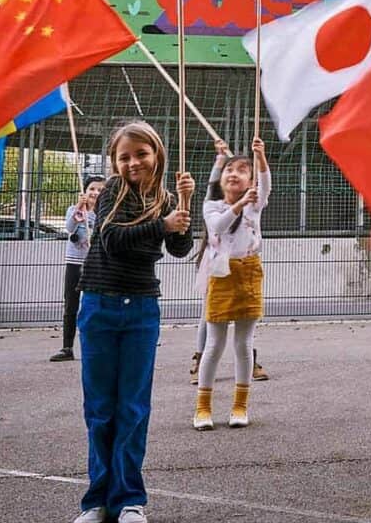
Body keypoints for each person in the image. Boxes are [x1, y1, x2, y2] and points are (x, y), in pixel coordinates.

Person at [74, 121, 196, 523]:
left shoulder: (163, 197)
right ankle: (96, 500)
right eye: (124, 157)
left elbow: (179, 249)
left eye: (141, 154)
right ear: (114, 162)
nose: (133, 163)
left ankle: (128, 498)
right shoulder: (111, 191)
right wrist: (162, 224)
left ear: (157, 155)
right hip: (100, 303)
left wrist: (184, 208)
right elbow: (112, 239)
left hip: (142, 307)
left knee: (133, 406)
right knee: (100, 407)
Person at [193, 137, 270, 430]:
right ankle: (203, 407)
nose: (234, 173)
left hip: (248, 271)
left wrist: (260, 158)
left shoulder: (256, 202)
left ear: (250, 179)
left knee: (244, 344)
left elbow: (265, 182)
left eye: (242, 170)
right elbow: (218, 226)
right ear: (221, 177)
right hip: (221, 274)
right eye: (229, 169)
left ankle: (240, 406)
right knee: (213, 344)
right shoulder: (211, 205)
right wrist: (240, 202)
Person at [50, 175, 105, 362]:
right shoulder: (75, 210)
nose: (95, 193)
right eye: (92, 189)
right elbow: (70, 228)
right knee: (71, 304)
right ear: (85, 191)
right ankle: (67, 347)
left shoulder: (104, 214)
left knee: (96, 305)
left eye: (100, 190)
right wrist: (79, 208)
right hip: (74, 262)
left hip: (95, 264)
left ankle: (97, 346)